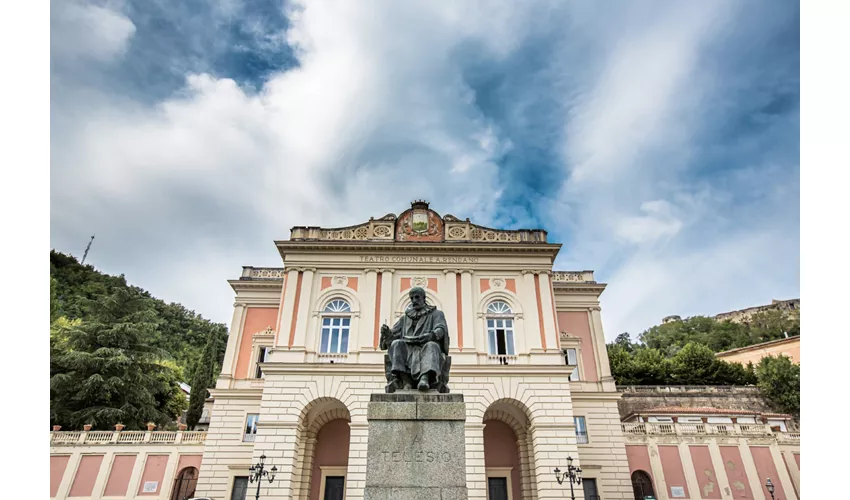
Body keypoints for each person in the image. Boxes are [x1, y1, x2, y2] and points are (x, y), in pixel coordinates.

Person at [379, 287, 450, 392]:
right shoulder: (405, 318)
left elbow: (441, 328)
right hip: (408, 348)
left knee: (432, 345)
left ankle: (424, 378)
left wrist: (432, 335)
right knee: (397, 344)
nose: (414, 300)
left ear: (424, 298)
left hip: (425, 346)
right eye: (412, 298)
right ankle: (406, 380)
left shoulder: (436, 314)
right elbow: (394, 334)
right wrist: (386, 333)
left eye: (417, 297)